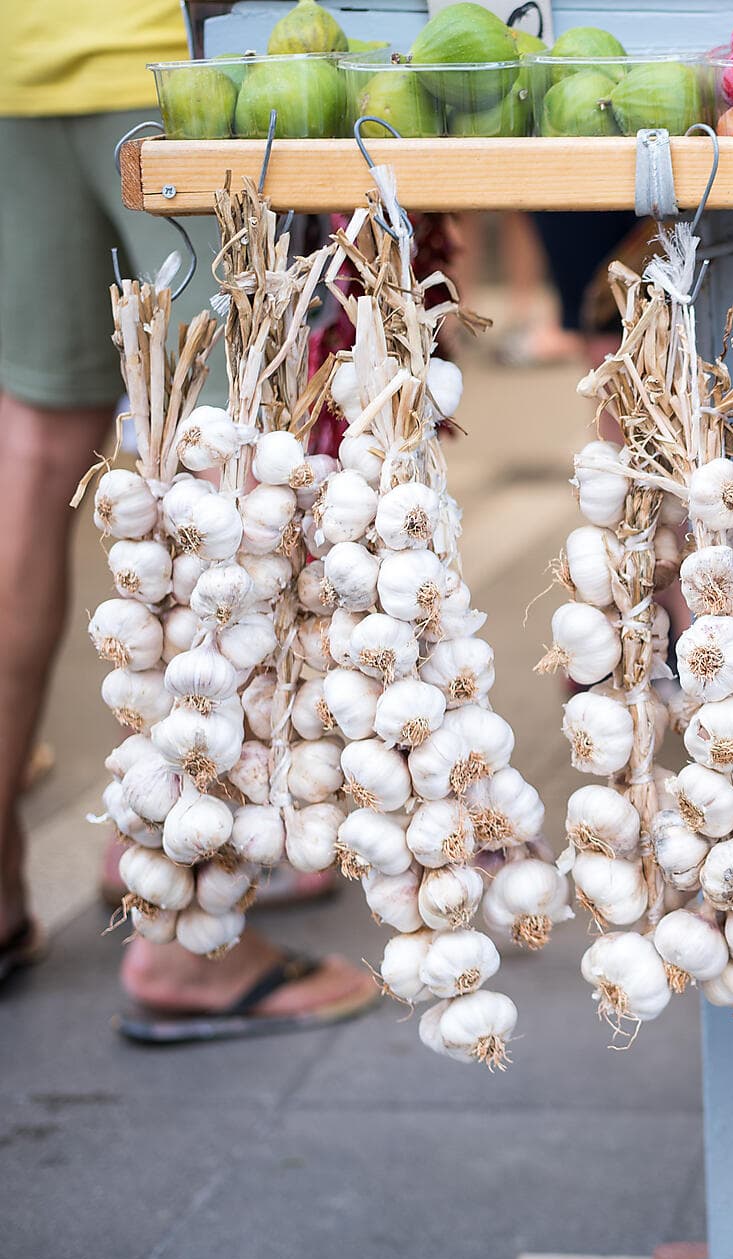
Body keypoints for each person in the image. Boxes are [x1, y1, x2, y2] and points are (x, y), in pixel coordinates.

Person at [0, 2, 376, 1037]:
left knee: (31, 452)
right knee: (229, 459)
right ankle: (184, 937)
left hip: (18, 67)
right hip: (178, 66)